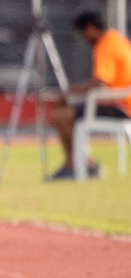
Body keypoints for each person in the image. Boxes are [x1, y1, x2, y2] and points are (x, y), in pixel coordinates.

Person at [47, 10, 131, 180]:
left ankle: (76, 164)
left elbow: (101, 82)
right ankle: (85, 162)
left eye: (83, 32)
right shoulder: (117, 38)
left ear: (91, 28)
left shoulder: (105, 45)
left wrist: (69, 92)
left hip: (121, 104)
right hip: (120, 100)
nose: (83, 38)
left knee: (61, 115)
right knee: (67, 111)